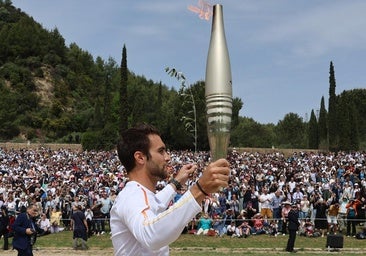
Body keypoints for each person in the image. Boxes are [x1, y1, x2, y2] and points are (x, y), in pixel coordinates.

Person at [110, 124, 230, 255]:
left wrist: (177, 182)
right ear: (140, 157)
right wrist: (200, 189)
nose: (167, 157)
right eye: (161, 151)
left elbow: (157, 204)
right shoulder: (132, 196)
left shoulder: (141, 194)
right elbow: (151, 235)